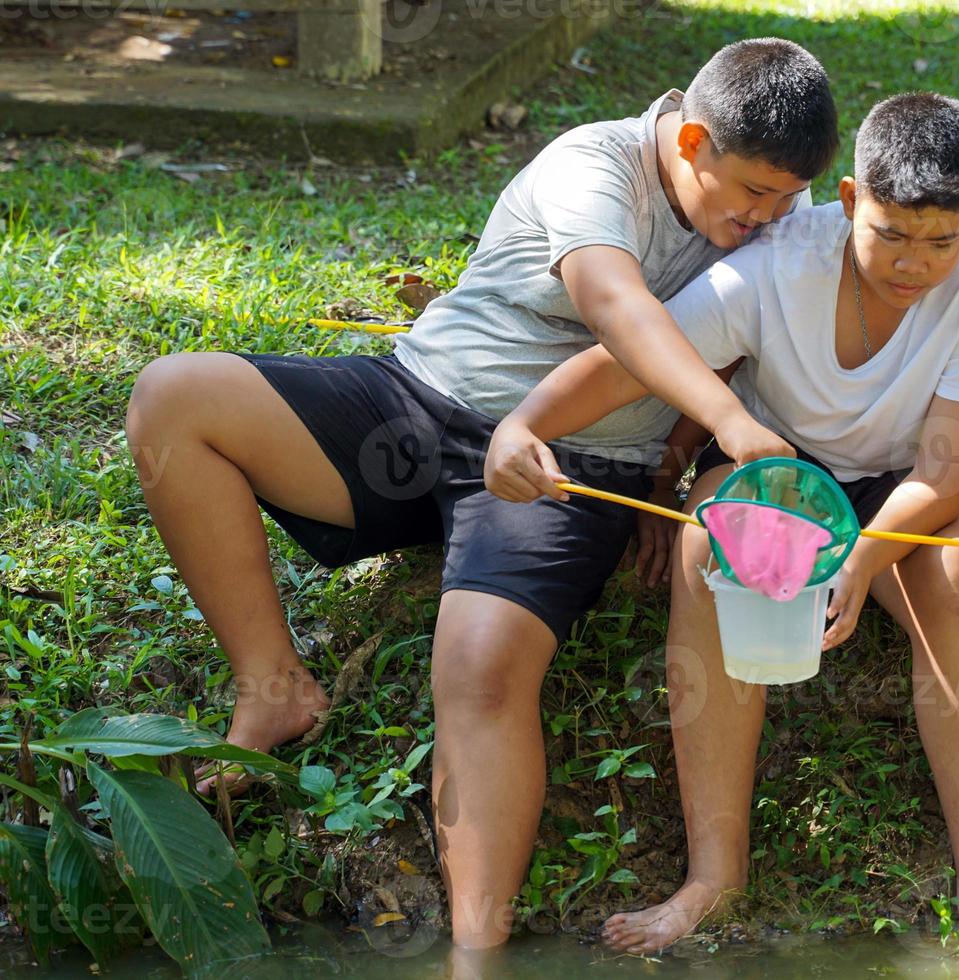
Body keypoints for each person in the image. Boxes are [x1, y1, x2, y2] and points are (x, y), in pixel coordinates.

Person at [124, 37, 839, 950]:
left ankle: (474, 956)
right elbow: (617, 308)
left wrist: (677, 458)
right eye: (752, 193)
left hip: (567, 466)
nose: (769, 216)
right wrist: (731, 426)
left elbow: (740, 336)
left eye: (787, 197)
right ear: (692, 140)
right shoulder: (595, 163)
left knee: (481, 667)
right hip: (417, 404)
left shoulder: (779, 200)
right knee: (175, 397)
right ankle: (272, 685)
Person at [487, 92, 959, 954]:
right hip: (777, 465)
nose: (916, 265)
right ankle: (713, 875)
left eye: (942, 241)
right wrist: (523, 427)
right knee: (711, 543)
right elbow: (626, 360)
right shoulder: (776, 264)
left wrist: (861, 561)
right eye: (891, 234)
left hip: (910, 481)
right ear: (851, 199)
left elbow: (949, 468)